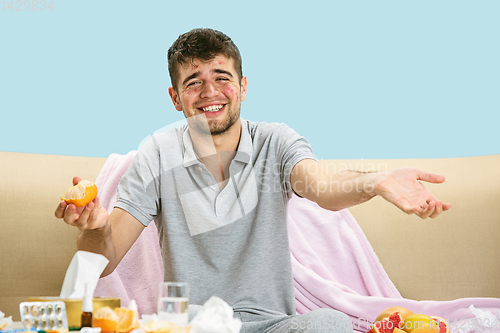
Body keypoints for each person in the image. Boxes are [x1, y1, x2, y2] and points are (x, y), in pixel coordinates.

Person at [55, 28, 451, 333]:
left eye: (222, 77)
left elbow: (322, 188)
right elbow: (105, 260)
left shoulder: (276, 141)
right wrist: (97, 229)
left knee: (330, 324)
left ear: (243, 86)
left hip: (272, 323)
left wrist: (376, 182)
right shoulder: (156, 153)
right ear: (176, 97)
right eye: (193, 81)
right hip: (194, 326)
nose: (210, 92)